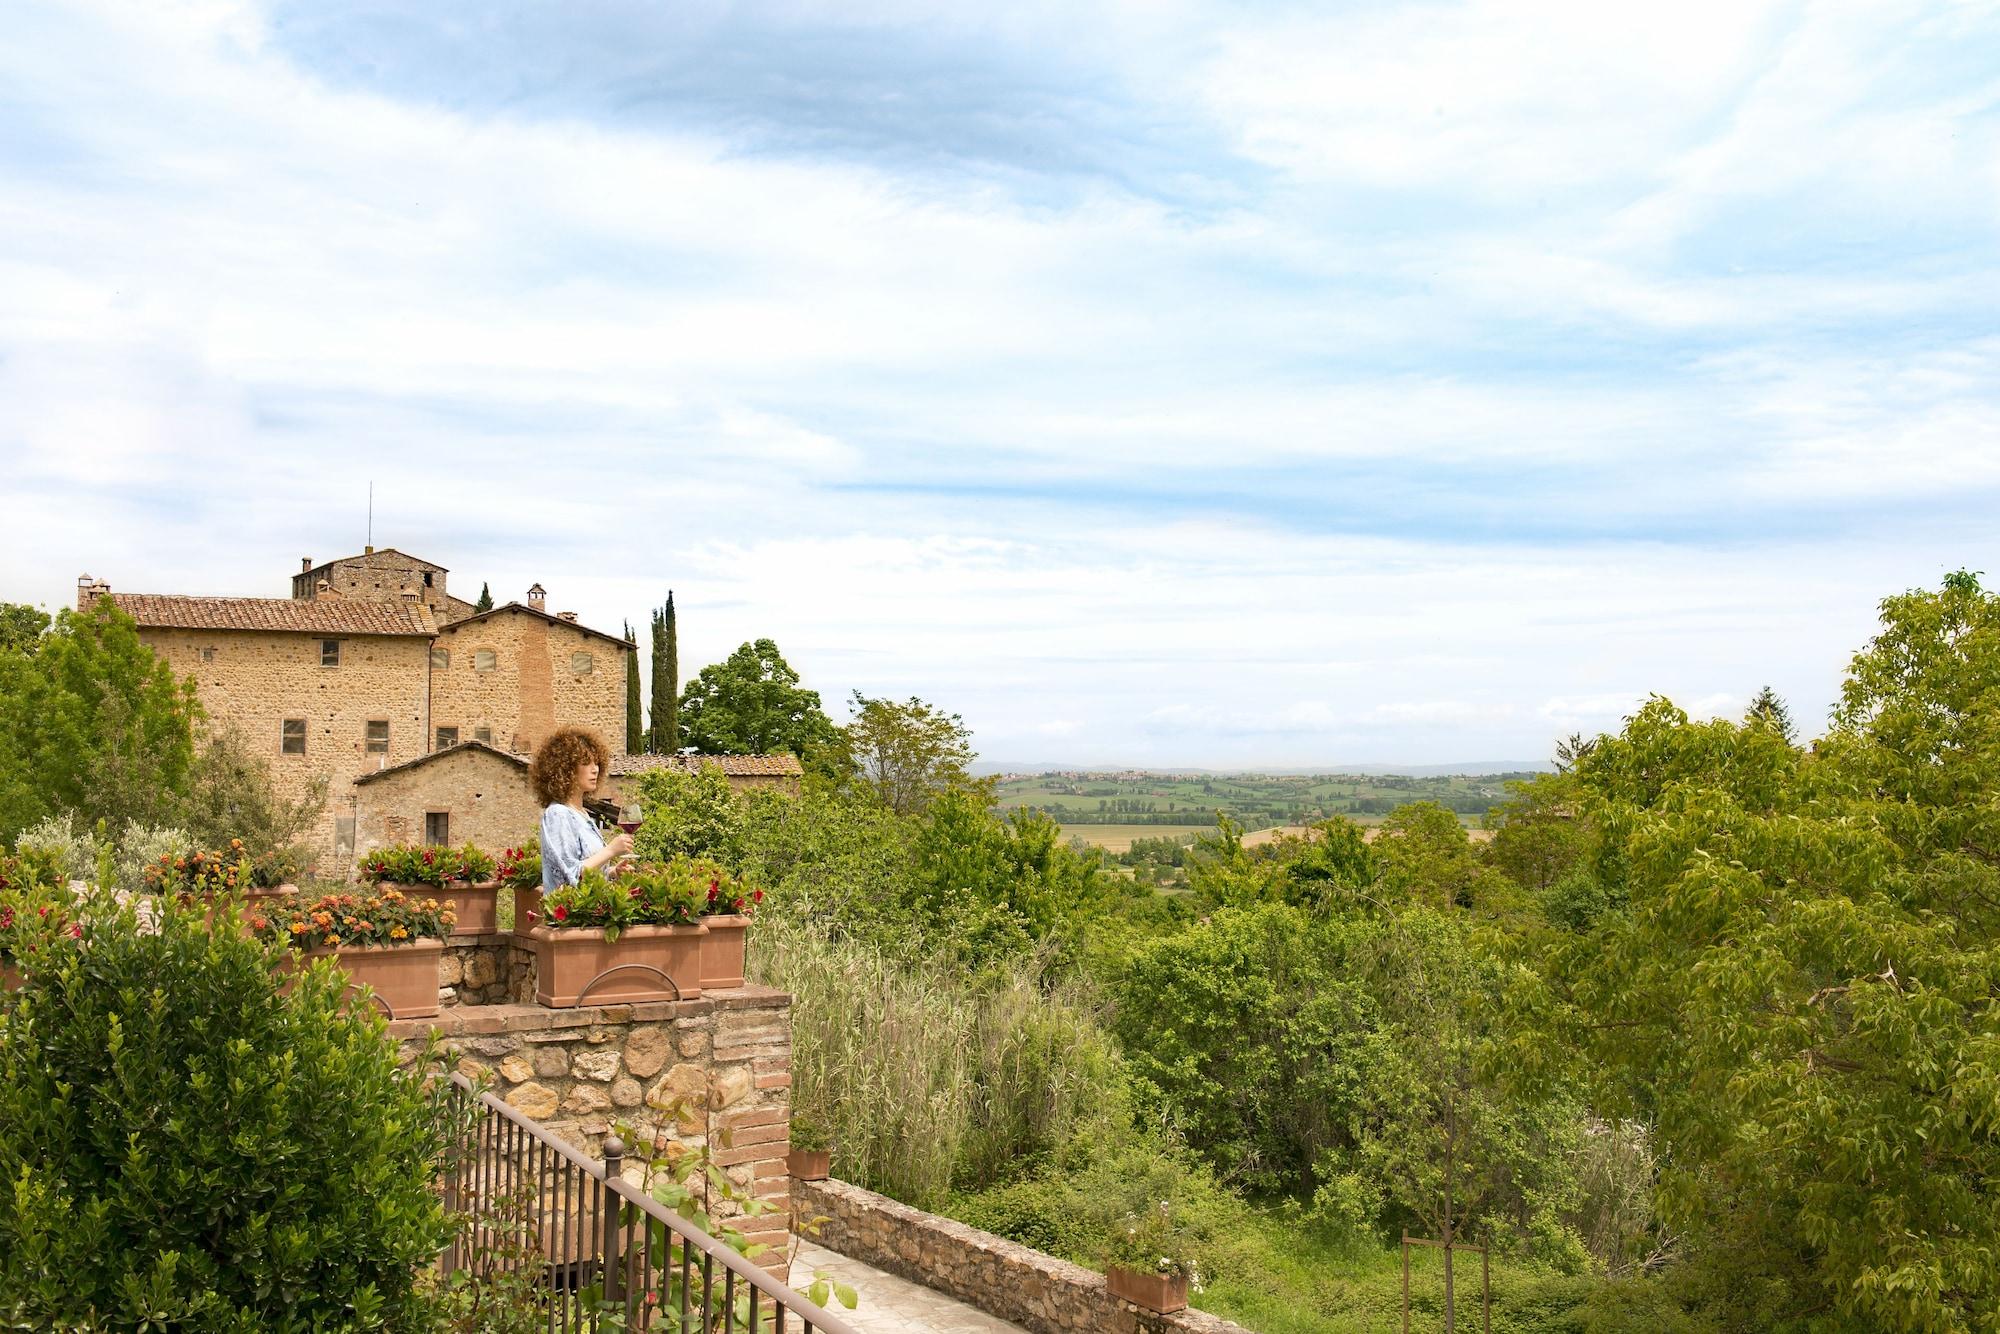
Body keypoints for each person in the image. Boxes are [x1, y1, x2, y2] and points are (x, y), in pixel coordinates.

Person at [530, 726, 633, 891]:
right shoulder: (558, 814)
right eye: (586, 763)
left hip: (589, 906)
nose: (595, 769)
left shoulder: (582, 814)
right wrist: (611, 850)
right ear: (565, 769)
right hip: (569, 908)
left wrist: (613, 872)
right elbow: (567, 878)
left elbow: (589, 872)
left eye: (597, 763)